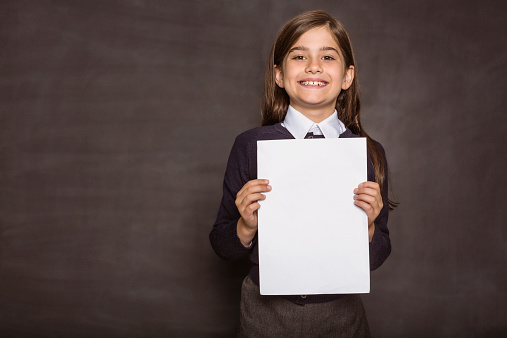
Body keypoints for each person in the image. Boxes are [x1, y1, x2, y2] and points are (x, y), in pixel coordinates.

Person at [209, 9, 394, 337]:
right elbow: (223, 245)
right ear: (279, 75)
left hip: (342, 314)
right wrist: (245, 225)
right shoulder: (250, 145)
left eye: (327, 56)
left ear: (347, 77)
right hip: (264, 313)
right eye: (299, 56)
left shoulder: (368, 153)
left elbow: (378, 255)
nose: (314, 66)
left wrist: (366, 227)